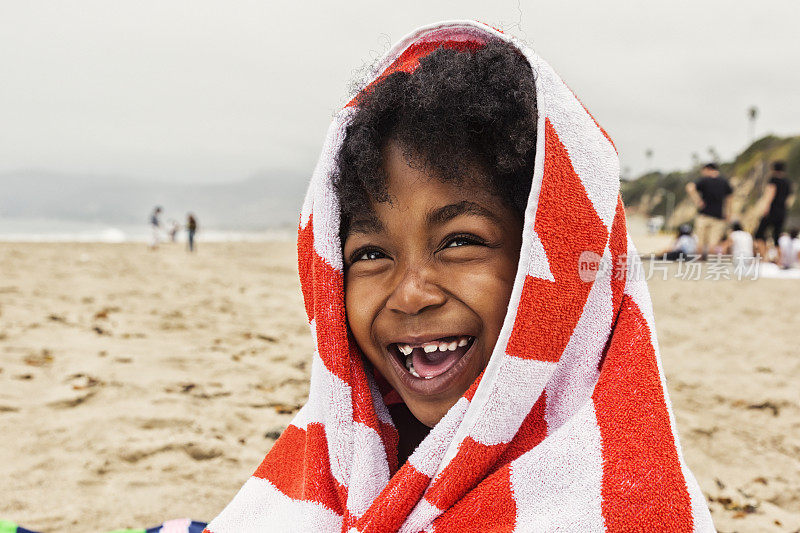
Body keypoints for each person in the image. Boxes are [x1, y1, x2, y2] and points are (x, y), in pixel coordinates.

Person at [205, 22, 712, 532]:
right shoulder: (332, 462)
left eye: (460, 242)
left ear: (550, 267)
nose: (410, 295)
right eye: (372, 253)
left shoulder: (631, 504)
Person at [686, 162, 733, 259]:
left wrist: (698, 201)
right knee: (713, 243)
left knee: (700, 241)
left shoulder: (704, 180)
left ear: (707, 169)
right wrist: (728, 213)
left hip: (704, 215)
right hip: (718, 217)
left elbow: (690, 187)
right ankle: (709, 264)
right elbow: (729, 198)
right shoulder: (724, 182)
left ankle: (699, 262)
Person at [754, 161, 794, 258]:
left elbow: (770, 194)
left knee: (759, 233)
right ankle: (779, 260)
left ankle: (764, 257)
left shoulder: (773, 180)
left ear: (773, 169)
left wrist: (765, 208)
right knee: (777, 236)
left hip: (772, 210)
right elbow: (790, 200)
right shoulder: (788, 182)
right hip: (782, 212)